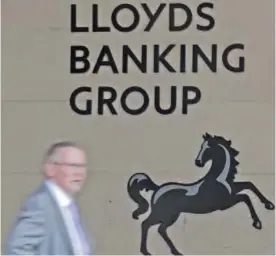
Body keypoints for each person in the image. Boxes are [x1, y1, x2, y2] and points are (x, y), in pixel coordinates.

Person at [3, 141, 95, 255]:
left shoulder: (67, 205)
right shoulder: (40, 204)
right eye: (73, 166)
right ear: (50, 168)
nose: (79, 173)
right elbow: (17, 250)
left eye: (82, 166)